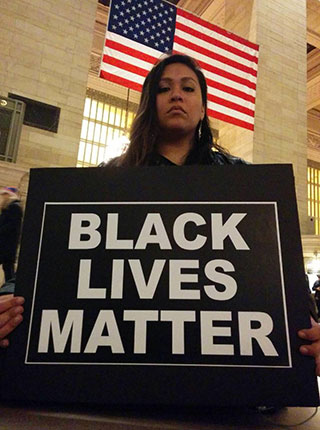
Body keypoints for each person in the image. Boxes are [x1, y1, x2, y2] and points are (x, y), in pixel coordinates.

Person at [1, 54, 320, 376]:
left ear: (204, 107)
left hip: (224, 384)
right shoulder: (106, 178)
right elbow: (52, 259)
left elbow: (281, 273)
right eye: (164, 88)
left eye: (188, 88)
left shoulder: (243, 181)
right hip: (121, 372)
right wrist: (8, 298)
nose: (176, 95)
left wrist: (309, 325)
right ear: (149, 104)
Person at [0, 187, 23, 282]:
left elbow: (11, 225)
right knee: (8, 268)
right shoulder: (9, 208)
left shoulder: (14, 207)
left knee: (8, 268)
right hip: (5, 243)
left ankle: (11, 286)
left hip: (7, 244)